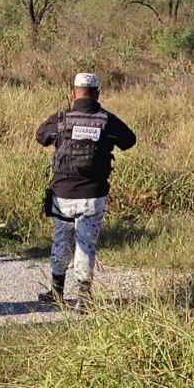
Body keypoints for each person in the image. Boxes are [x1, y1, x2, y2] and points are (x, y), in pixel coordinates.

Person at [35, 73, 137, 308]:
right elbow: (129, 141)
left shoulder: (61, 118)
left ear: (73, 93)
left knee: (61, 240)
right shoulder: (107, 120)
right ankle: (83, 297)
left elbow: (41, 136)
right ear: (98, 94)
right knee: (86, 243)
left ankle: (56, 293)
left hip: (62, 194)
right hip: (93, 195)